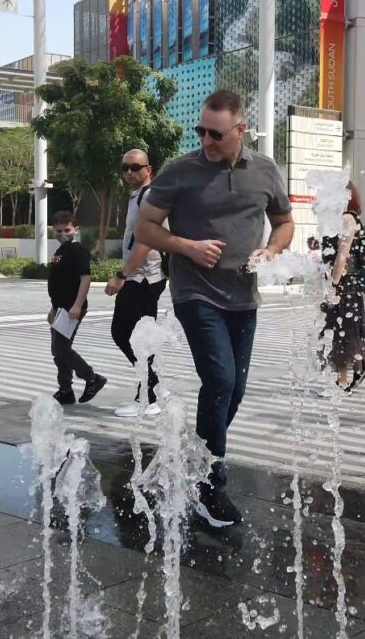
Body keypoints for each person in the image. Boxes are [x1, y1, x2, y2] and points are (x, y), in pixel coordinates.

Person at [135, 90, 294, 527]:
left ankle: (192, 459)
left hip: (244, 297)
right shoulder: (178, 171)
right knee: (220, 379)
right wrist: (186, 245)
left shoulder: (264, 170)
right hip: (195, 292)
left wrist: (272, 251)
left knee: (233, 392)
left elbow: (284, 223)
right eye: (201, 131)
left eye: (216, 133)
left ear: (240, 130)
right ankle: (210, 486)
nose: (206, 139)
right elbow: (144, 227)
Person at [104, 149, 167, 418]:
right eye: (125, 168)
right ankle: (153, 388)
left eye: (135, 167)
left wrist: (121, 275)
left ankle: (149, 397)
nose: (129, 172)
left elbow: (146, 240)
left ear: (148, 170)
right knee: (127, 333)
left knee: (129, 335)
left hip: (144, 277)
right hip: (138, 276)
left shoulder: (149, 196)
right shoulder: (136, 195)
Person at [320, 181, 365, 391]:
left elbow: (343, 254)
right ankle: (348, 374)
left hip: (345, 284)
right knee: (346, 330)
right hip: (348, 284)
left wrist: (334, 285)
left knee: (341, 330)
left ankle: (346, 376)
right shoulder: (347, 218)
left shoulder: (347, 218)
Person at [47, 210, 107, 405]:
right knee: (58, 350)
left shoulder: (77, 251)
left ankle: (92, 378)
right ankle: (65, 389)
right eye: (58, 230)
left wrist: (77, 306)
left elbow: (85, 279)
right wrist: (53, 308)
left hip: (72, 308)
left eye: (66, 230)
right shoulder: (60, 251)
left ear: (75, 229)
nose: (62, 234)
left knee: (61, 349)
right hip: (60, 308)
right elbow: (58, 282)